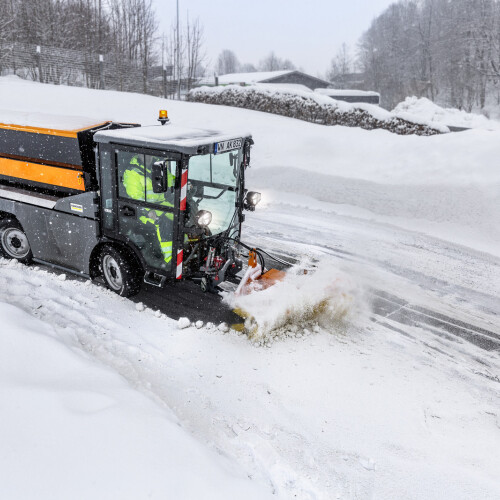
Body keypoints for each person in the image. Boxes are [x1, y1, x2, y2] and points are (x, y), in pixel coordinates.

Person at [122, 154, 175, 266]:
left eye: (149, 154)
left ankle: (184, 249)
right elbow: (135, 197)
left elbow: (170, 181)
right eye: (143, 155)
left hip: (162, 206)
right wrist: (147, 211)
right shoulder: (132, 172)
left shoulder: (159, 166)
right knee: (163, 224)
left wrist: (182, 185)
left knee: (182, 217)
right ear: (138, 155)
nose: (147, 158)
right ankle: (169, 260)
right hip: (142, 211)